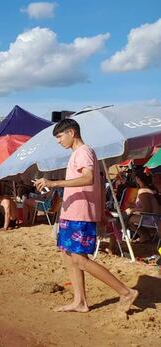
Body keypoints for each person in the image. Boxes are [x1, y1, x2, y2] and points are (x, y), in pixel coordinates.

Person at [35, 118, 138, 313]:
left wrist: (54, 183)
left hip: (80, 214)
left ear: (71, 133)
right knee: (67, 255)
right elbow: (97, 184)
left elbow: (88, 178)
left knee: (80, 259)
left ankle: (125, 292)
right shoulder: (77, 154)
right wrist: (100, 214)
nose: (58, 141)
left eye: (59, 136)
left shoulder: (84, 152)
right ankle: (80, 301)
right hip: (72, 213)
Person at [124, 170, 161, 242]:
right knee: (128, 216)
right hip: (156, 217)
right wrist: (132, 205)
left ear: (138, 179)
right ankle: (146, 235)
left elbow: (146, 209)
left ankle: (144, 235)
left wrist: (132, 210)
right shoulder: (150, 189)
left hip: (153, 218)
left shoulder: (143, 191)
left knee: (126, 219)